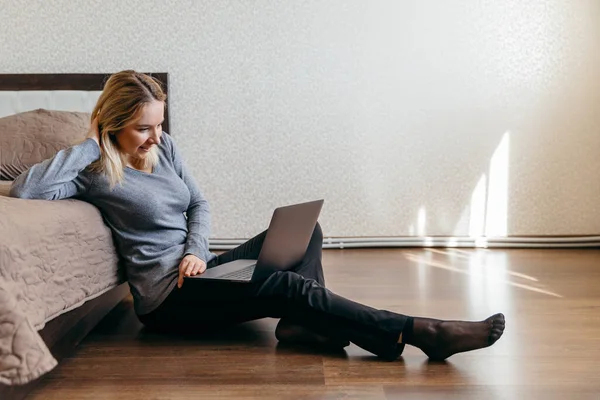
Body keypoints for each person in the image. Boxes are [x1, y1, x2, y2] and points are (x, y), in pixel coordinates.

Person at [10, 70, 505, 361]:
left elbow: (198, 204)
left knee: (305, 227)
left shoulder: (167, 149)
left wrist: (196, 252)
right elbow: (26, 188)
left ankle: (302, 325)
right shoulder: (94, 168)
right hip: (167, 302)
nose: (155, 137)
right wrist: (90, 142)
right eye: (142, 128)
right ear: (112, 125)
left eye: (159, 125)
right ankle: (416, 332)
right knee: (288, 286)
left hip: (196, 270)